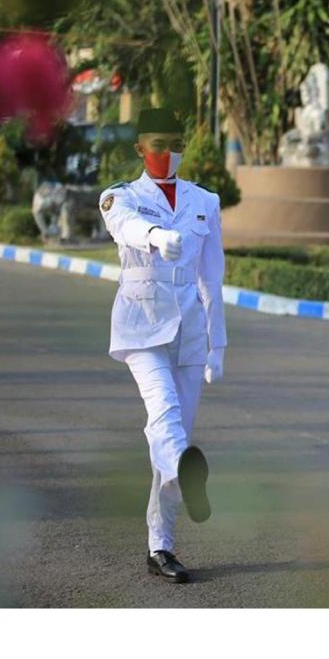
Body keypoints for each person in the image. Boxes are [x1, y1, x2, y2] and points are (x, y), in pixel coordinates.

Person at [98, 108, 227, 582]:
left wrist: (218, 345)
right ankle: (182, 472)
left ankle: (161, 545)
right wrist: (154, 236)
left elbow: (212, 277)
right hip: (141, 324)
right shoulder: (120, 196)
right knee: (164, 412)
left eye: (176, 144)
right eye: (158, 144)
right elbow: (125, 225)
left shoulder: (204, 201)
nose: (168, 153)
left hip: (189, 329)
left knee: (175, 438)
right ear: (139, 148)